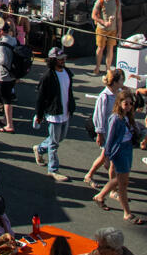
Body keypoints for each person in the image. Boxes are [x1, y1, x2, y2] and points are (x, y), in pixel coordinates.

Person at [95, 88, 143, 224]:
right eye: (125, 104)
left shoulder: (128, 116)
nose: (128, 106)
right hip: (119, 151)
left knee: (121, 179)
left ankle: (100, 195)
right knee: (123, 183)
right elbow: (109, 140)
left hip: (127, 149)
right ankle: (127, 213)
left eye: (130, 103)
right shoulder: (115, 119)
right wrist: (106, 157)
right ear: (119, 103)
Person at [34, 47, 75, 183]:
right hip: (54, 113)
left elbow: (69, 92)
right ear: (53, 60)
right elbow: (40, 97)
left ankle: (39, 149)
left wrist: (72, 107)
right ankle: (53, 169)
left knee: (58, 138)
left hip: (65, 112)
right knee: (54, 143)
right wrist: (39, 115)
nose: (63, 60)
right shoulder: (47, 76)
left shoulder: (67, 73)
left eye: (63, 58)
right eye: (60, 59)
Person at [85, 69, 126, 188]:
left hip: (114, 130)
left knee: (105, 157)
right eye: (121, 79)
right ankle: (111, 188)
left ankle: (91, 175)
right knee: (109, 158)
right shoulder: (104, 96)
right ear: (115, 82)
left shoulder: (118, 93)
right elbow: (99, 116)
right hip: (107, 132)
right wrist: (100, 133)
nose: (123, 82)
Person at [0, 19, 19, 132]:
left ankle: (9, 124)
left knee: (6, 100)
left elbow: (3, 61)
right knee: (7, 97)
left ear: (1, 31)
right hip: (13, 74)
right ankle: (5, 119)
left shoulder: (2, 44)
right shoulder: (14, 40)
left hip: (4, 76)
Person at [92, 0, 121, 74]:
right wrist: (103, 22)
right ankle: (97, 67)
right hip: (102, 29)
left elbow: (119, 17)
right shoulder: (100, 1)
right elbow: (94, 15)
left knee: (110, 48)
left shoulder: (116, 1)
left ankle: (108, 68)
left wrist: (119, 31)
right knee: (100, 47)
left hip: (113, 29)